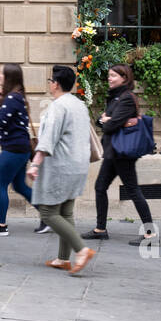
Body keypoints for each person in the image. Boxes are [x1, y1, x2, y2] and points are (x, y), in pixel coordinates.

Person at [26, 65, 96, 274]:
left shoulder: (58, 106)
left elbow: (48, 139)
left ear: (55, 84)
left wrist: (36, 163)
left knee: (48, 212)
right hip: (78, 165)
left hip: (61, 166)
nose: (49, 83)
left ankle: (81, 249)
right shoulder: (79, 105)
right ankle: (63, 259)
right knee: (66, 211)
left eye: (50, 80)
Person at [82, 64, 156, 244]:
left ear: (124, 78)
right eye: (109, 75)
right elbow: (101, 121)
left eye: (113, 75)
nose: (109, 78)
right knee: (100, 187)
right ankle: (100, 228)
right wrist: (107, 120)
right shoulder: (115, 97)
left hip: (122, 153)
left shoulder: (127, 98)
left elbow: (109, 125)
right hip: (113, 151)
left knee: (133, 190)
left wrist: (108, 121)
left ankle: (150, 233)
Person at [0, 63, 36, 236]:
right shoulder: (14, 97)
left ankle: (1, 225)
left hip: (13, 149)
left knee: (0, 184)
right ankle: (50, 215)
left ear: (9, 77)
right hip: (20, 148)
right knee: (19, 186)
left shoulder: (13, 98)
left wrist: (1, 103)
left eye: (1, 74)